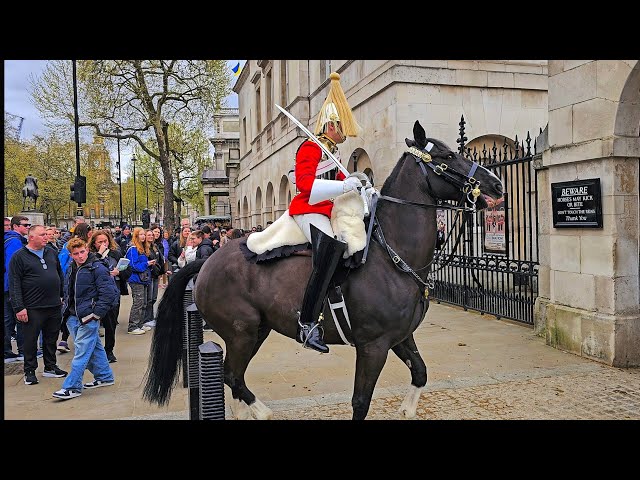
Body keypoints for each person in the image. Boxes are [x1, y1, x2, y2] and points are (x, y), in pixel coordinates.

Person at [288, 72, 363, 353]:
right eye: (342, 126)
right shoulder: (310, 147)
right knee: (329, 248)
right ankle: (307, 322)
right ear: (331, 125)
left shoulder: (334, 153)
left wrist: (358, 189)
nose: (346, 131)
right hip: (308, 210)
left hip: (329, 211)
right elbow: (305, 185)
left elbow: (339, 190)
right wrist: (343, 184)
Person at [52, 238, 117, 400]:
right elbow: (68, 289)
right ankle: (105, 376)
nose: (80, 256)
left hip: (88, 317)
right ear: (71, 254)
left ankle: (72, 386)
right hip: (73, 316)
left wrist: (95, 315)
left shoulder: (98, 268)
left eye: (82, 252)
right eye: (76, 254)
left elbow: (109, 294)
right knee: (94, 348)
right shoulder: (71, 267)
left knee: (81, 353)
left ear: (87, 250)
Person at [9, 225, 68, 385]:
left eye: (45, 235)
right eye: (42, 235)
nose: (45, 237)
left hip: (53, 304)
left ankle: (50, 366)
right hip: (32, 307)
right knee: (30, 340)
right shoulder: (19, 256)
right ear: (31, 237)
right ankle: (29, 371)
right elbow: (14, 283)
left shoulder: (51, 252)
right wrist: (19, 307)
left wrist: (62, 295)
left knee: (51, 338)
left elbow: (59, 273)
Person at [87, 229, 124, 363]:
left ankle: (109, 350)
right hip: (95, 295)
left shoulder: (115, 254)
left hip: (113, 293)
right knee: (92, 324)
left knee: (111, 324)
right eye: (100, 242)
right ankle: (92, 351)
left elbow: (128, 270)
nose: (103, 244)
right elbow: (87, 269)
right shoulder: (90, 255)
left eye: (105, 241)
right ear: (94, 243)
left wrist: (119, 272)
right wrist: (99, 254)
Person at [4, 216, 29, 363]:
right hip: (11, 287)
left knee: (8, 320)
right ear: (15, 226)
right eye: (25, 225)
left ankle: (7, 351)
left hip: (7, 286)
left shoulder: (12, 240)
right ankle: (22, 349)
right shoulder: (14, 241)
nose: (27, 227)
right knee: (18, 318)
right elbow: (13, 268)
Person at [125, 227, 154, 335]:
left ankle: (140, 324)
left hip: (143, 278)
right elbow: (133, 265)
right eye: (140, 234)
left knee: (144, 302)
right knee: (138, 302)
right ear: (136, 236)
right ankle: (133, 326)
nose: (143, 236)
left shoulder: (142, 248)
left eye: (143, 234)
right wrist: (147, 264)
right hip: (136, 279)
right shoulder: (133, 249)